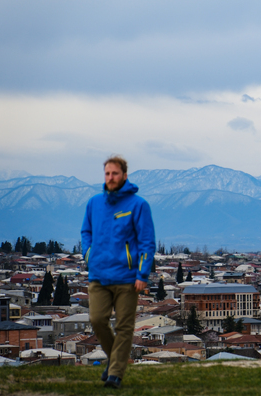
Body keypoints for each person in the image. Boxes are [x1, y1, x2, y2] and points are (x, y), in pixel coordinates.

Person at [82, 156, 155, 389]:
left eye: (115, 173)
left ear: (124, 175)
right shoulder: (94, 203)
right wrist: (88, 255)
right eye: (107, 173)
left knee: (124, 327)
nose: (111, 178)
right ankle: (115, 360)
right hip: (99, 275)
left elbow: (147, 242)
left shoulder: (138, 205)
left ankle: (115, 374)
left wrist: (142, 274)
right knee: (97, 320)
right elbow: (86, 232)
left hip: (127, 277)